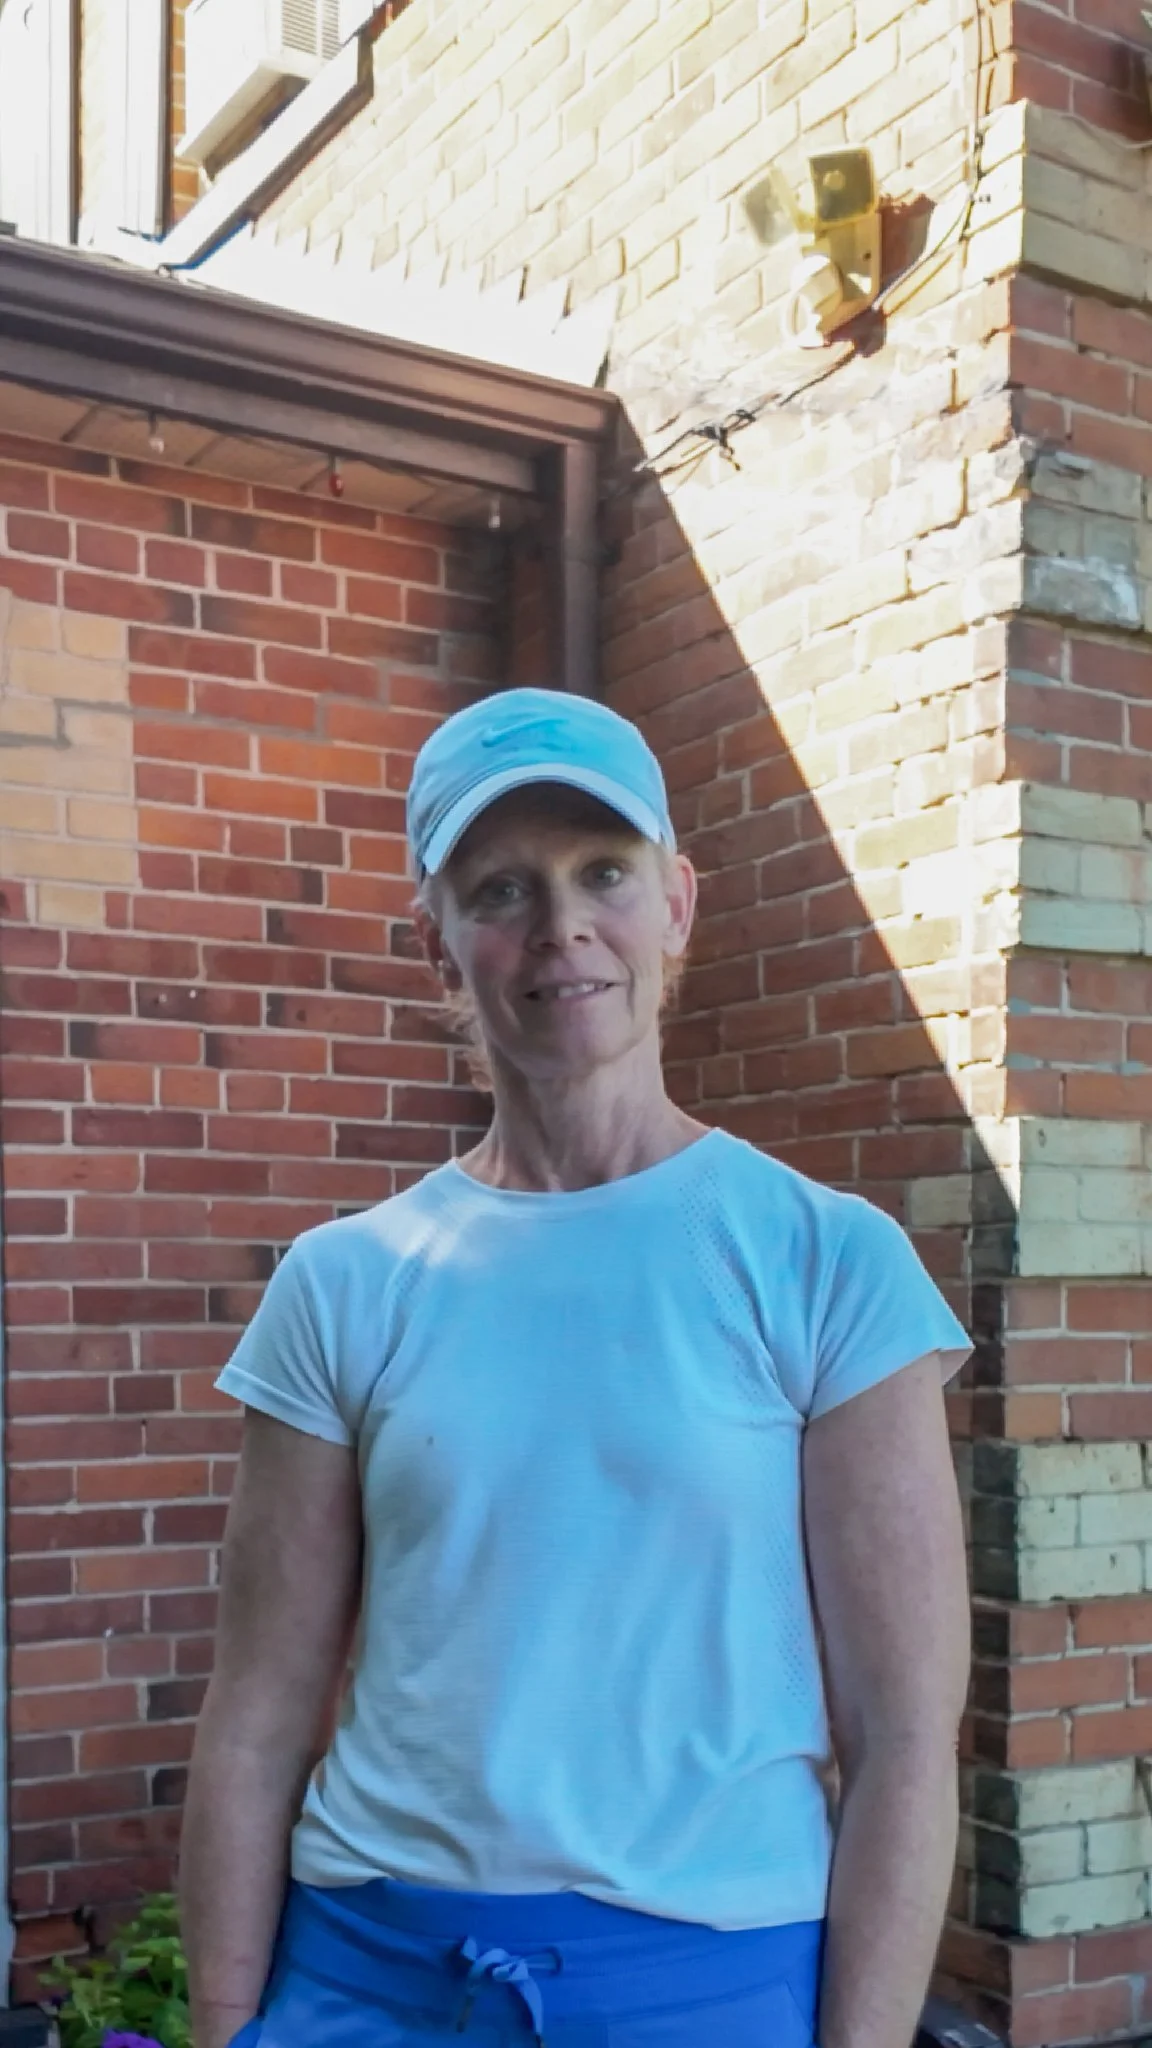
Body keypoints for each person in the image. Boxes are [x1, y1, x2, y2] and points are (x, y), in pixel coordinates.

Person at [179, 686, 972, 2048]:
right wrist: (226, 2022)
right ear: (437, 942)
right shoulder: (347, 1280)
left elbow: (902, 1738)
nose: (561, 929)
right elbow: (255, 1714)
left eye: (603, 871)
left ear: (676, 904)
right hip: (365, 1975)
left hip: (708, 1983)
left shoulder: (825, 1262)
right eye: (501, 889)